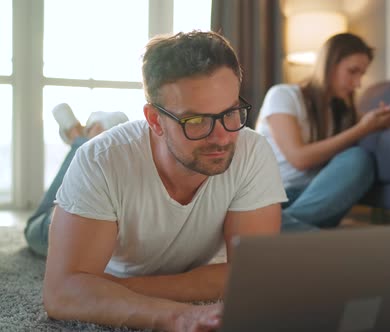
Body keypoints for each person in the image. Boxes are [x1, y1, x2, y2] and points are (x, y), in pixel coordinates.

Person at [41, 31, 287, 332]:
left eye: (231, 113)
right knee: (45, 219)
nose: (222, 137)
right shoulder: (100, 161)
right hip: (86, 225)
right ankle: (81, 137)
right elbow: (61, 292)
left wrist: (120, 287)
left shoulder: (251, 151)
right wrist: (180, 315)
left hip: (120, 248)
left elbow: (251, 276)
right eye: (196, 121)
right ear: (155, 120)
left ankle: (88, 131)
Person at [256, 33, 390, 231]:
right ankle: (291, 230)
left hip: (317, 196)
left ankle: (282, 228)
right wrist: (361, 129)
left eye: (362, 74)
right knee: (356, 156)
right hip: (277, 196)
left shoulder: (340, 110)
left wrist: (389, 120)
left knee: (358, 159)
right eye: (352, 72)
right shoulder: (282, 95)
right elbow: (299, 158)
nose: (358, 83)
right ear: (329, 64)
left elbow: (367, 124)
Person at [25, 103, 129, 256]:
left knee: (35, 227)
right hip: (110, 228)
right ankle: (91, 140)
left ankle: (82, 140)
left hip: (79, 230)